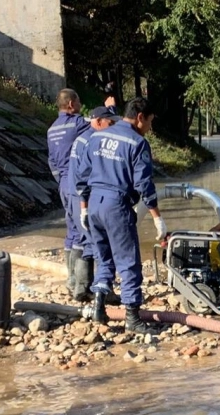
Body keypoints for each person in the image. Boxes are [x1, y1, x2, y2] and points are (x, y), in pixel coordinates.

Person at [76, 97, 166, 333]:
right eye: (150, 122)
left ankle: (99, 309)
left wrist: (84, 208)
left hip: (94, 204)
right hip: (116, 205)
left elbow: (81, 176)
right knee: (128, 262)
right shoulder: (137, 143)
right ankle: (132, 318)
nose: (150, 127)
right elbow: (144, 185)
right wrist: (157, 217)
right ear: (140, 117)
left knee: (103, 257)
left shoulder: (96, 137)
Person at [67, 106, 122, 302]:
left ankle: (78, 286)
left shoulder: (82, 138)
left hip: (74, 195)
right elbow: (89, 174)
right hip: (85, 198)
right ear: (98, 122)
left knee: (84, 241)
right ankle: (101, 291)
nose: (113, 127)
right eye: (110, 123)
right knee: (99, 245)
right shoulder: (93, 140)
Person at [47, 89, 90, 294]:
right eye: (79, 101)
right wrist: (110, 109)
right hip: (76, 183)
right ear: (71, 104)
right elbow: (100, 124)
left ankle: (71, 280)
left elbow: (52, 162)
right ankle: (81, 286)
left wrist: (62, 181)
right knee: (84, 232)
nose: (81, 105)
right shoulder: (77, 124)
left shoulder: (51, 129)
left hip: (63, 184)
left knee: (72, 231)